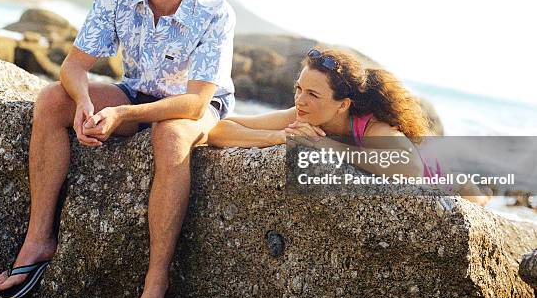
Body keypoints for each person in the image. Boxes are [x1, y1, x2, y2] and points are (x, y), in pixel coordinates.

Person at [0, 0, 236, 298]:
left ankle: (154, 284)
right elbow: (74, 67)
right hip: (135, 91)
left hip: (193, 104)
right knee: (52, 101)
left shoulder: (215, 13)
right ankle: (39, 238)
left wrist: (123, 119)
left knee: (169, 136)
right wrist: (85, 104)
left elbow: (197, 101)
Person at [208, 48, 491, 205]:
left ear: (343, 104)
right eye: (298, 89)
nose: (300, 100)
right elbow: (219, 129)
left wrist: (323, 145)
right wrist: (279, 137)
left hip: (451, 184)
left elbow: (410, 168)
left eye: (313, 94)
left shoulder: (373, 128)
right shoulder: (303, 114)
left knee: (478, 197)